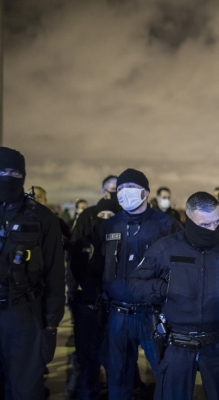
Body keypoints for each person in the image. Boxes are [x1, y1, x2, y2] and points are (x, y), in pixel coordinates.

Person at [128, 192, 219, 400]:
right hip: (178, 343)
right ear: (189, 219)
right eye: (205, 225)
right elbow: (135, 283)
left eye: (217, 222)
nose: (212, 229)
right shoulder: (165, 249)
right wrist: (165, 288)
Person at [100, 168, 182, 399]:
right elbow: (97, 267)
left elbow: (183, 268)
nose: (125, 193)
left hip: (154, 315)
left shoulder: (167, 225)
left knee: (166, 376)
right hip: (118, 314)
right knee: (118, 379)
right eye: (122, 188)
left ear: (146, 192)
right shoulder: (109, 226)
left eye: (132, 188)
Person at [0, 147, 65, 399]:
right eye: (2, 171)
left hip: (24, 316)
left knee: (26, 389)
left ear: (24, 176)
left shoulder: (42, 217)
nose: (8, 177)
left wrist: (50, 325)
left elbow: (54, 275)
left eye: (15, 172)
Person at [69, 199, 120, 400]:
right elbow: (75, 272)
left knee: (116, 361)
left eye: (110, 216)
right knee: (88, 362)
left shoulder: (123, 242)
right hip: (88, 308)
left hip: (115, 310)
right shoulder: (84, 243)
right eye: (102, 216)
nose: (105, 220)